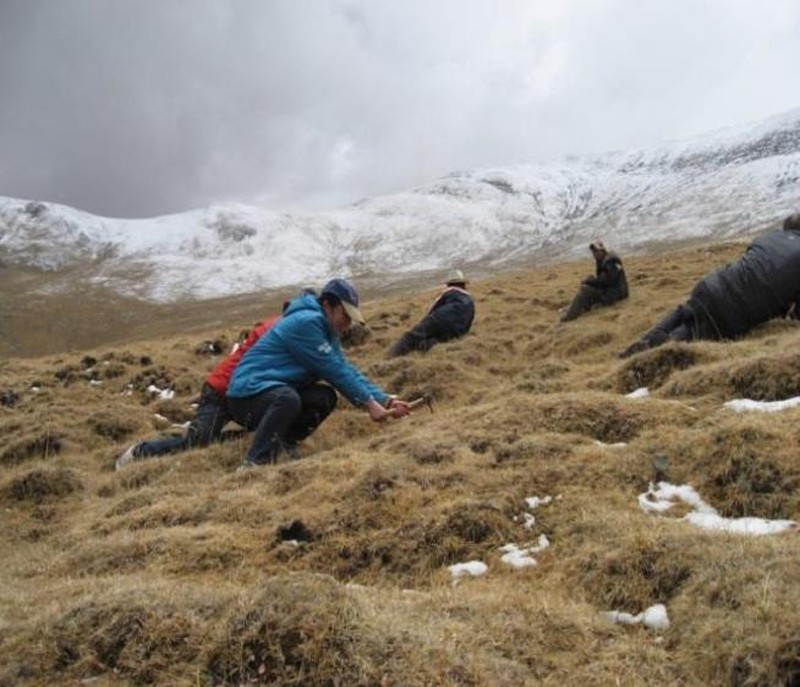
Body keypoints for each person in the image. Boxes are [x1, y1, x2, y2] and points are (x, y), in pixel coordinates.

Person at [227, 278, 411, 469]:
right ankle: (254, 463)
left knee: (324, 397)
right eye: (345, 315)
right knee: (287, 399)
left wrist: (384, 400)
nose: (348, 324)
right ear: (327, 305)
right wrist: (369, 403)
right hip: (246, 396)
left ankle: (284, 444)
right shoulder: (306, 323)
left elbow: (345, 368)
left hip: (273, 391)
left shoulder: (327, 330)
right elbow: (334, 371)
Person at [620, 213, 800, 358]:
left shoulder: (768, 237)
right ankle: (650, 357)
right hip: (734, 312)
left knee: (685, 311)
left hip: (712, 284)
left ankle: (646, 341)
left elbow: (755, 265)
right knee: (692, 333)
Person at [115, 314, 282, 470]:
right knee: (198, 440)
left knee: (264, 428)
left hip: (250, 393)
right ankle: (141, 452)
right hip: (220, 391)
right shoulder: (277, 329)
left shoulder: (284, 327)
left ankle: (229, 445)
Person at [387, 268, 475, 357]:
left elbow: (432, 308)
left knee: (412, 336)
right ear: (463, 284)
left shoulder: (448, 292)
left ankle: (392, 356)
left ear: (448, 283)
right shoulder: (470, 300)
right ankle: (421, 349)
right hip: (456, 330)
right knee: (438, 341)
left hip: (439, 319)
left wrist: (423, 323)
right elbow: (470, 320)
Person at [560, 241, 628, 322]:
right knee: (589, 284)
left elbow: (607, 281)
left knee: (585, 290)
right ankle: (575, 308)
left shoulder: (611, 262)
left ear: (602, 250)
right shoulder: (605, 259)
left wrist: (589, 281)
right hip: (614, 290)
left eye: (596, 251)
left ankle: (569, 316)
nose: (594, 254)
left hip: (615, 294)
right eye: (593, 252)